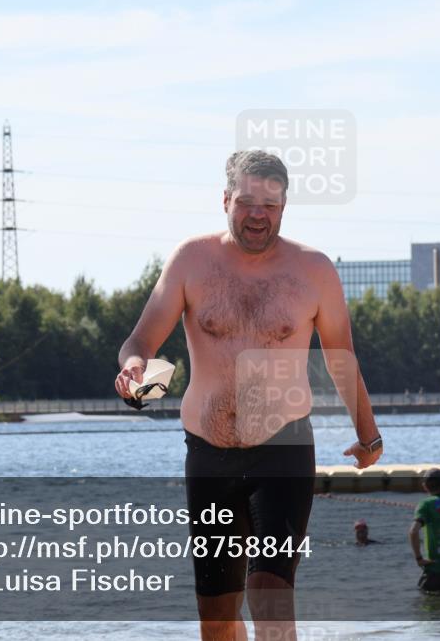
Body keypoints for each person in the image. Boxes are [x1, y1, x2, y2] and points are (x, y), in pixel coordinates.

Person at [115, 149, 383, 641]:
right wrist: (134, 369)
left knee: (269, 597)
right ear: (225, 200)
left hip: (283, 450)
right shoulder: (192, 260)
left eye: (270, 204)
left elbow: (341, 357)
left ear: (284, 209)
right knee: (216, 621)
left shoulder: (314, 270)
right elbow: (140, 342)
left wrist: (369, 438)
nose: (257, 213)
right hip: (208, 455)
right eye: (246, 201)